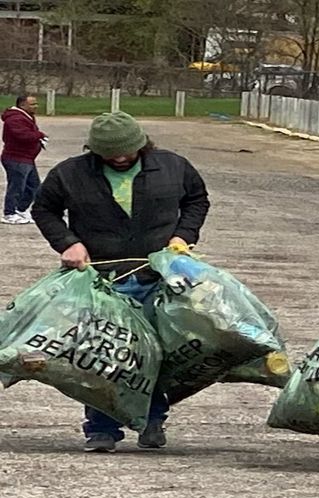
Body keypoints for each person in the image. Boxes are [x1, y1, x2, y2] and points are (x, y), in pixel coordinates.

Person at [32, 112, 210, 453]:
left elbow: (197, 200)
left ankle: (152, 419)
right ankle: (101, 428)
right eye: (110, 153)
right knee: (101, 353)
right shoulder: (70, 174)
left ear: (141, 143)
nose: (120, 158)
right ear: (94, 150)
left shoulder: (174, 167)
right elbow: (44, 210)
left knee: (156, 352)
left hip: (159, 276)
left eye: (127, 150)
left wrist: (182, 236)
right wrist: (68, 242)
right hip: (100, 280)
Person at [2, 94, 48, 225]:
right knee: (16, 186)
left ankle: (21, 209)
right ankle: (9, 213)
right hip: (16, 158)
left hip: (26, 158)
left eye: (36, 103)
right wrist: (39, 135)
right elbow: (22, 135)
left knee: (33, 186)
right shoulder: (15, 119)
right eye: (32, 104)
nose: (36, 106)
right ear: (22, 105)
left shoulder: (26, 117)